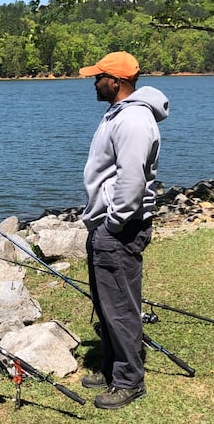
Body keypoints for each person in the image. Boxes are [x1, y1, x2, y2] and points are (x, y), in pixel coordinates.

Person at [78, 51, 169, 409]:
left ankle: (130, 381)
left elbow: (131, 182)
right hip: (108, 226)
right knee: (106, 303)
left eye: (98, 76)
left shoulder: (133, 121)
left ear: (115, 82)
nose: (93, 82)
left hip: (120, 229)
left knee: (120, 307)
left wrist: (112, 224)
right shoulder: (118, 114)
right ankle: (112, 366)